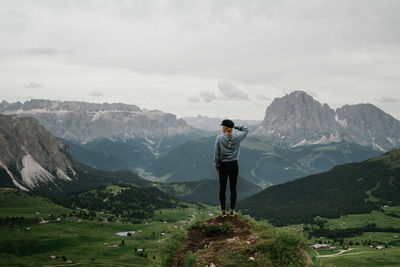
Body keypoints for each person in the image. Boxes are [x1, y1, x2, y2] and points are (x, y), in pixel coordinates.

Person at [214, 119, 249, 217]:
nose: (221, 127)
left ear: (224, 127)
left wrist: (217, 165)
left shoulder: (219, 138)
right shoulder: (237, 137)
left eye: (222, 126)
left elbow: (216, 154)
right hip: (234, 165)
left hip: (223, 166)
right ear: (231, 128)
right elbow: (246, 130)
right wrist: (235, 126)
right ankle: (232, 211)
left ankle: (223, 212)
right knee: (233, 188)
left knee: (223, 188)